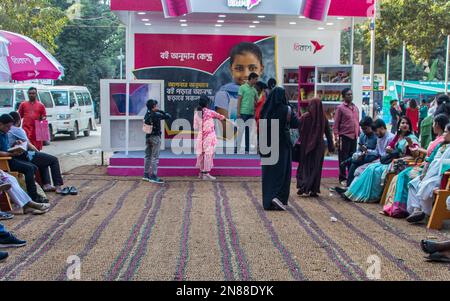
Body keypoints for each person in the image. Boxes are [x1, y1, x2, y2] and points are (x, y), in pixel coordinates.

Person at [382, 114, 449, 218]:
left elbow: (427, 156)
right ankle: (406, 209)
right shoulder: (439, 141)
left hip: (429, 168)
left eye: (446, 131)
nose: (432, 126)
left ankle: (408, 209)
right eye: (402, 123)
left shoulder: (440, 141)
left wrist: (416, 150)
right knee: (404, 178)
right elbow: (429, 156)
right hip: (425, 166)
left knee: (405, 176)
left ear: (437, 125)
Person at [343, 117, 419, 203]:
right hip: (392, 160)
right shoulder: (398, 136)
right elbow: (390, 146)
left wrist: (410, 144)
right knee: (369, 168)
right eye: (402, 123)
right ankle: (354, 192)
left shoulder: (411, 137)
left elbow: (416, 153)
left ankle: (372, 196)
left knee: (374, 170)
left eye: (407, 123)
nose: (405, 125)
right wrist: (389, 149)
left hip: (401, 163)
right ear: (399, 125)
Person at [8, 112, 71, 195]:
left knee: (43, 160)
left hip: (19, 154)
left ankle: (46, 184)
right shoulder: (16, 129)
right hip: (23, 155)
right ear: (19, 121)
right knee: (53, 160)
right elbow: (29, 145)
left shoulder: (8, 130)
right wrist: (37, 153)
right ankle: (58, 185)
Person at [214, 42, 264, 141]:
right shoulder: (224, 95)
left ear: (261, 69)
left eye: (252, 68)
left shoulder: (265, 94)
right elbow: (226, 133)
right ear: (231, 69)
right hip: (232, 147)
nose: (246, 74)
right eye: (239, 68)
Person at [259, 87, 299, 211]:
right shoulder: (286, 109)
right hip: (282, 145)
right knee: (282, 172)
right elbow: (296, 124)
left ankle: (267, 200)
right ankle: (278, 198)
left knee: (268, 174)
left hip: (267, 144)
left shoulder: (265, 110)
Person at [406, 123, 450, 223]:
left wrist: (440, 163)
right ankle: (417, 210)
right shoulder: (440, 145)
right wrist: (425, 172)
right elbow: (430, 159)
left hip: (442, 176)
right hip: (431, 173)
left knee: (426, 186)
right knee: (413, 183)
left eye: (446, 132)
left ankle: (426, 213)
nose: (444, 134)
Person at [0, 114, 46, 203]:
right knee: (29, 169)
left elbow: (5, 147)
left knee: (34, 167)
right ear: (0, 124)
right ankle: (33, 196)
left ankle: (34, 193)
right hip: (5, 161)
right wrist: (11, 154)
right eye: (7, 127)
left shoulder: (4, 133)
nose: (9, 129)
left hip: (9, 157)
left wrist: (15, 145)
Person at [296, 98, 334, 197]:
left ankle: (304, 186)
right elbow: (328, 134)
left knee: (305, 166)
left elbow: (297, 127)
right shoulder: (323, 118)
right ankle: (313, 189)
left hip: (305, 146)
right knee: (316, 168)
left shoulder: (305, 117)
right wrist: (331, 146)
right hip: (318, 147)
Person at [193, 95, 226, 180]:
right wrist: (223, 118)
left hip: (200, 136)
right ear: (207, 104)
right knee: (208, 154)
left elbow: (195, 126)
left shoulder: (197, 113)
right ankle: (206, 173)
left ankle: (201, 173)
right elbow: (220, 116)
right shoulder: (210, 112)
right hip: (209, 137)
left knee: (202, 154)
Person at [333, 88, 360, 187]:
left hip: (354, 137)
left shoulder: (355, 108)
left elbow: (357, 122)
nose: (350, 96)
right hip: (344, 136)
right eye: (348, 94)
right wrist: (336, 137)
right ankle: (342, 177)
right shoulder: (340, 108)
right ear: (343, 96)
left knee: (352, 157)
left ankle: (350, 177)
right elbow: (336, 124)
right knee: (343, 158)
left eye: (351, 94)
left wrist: (359, 133)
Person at [143, 99, 171, 184]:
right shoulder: (156, 115)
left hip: (148, 137)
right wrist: (159, 110)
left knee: (147, 156)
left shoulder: (146, 115)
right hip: (155, 138)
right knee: (155, 157)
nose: (157, 107)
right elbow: (168, 116)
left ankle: (146, 175)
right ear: (154, 106)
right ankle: (154, 176)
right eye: (156, 105)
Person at [345, 117, 378, 186]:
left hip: (373, 158)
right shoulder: (363, 135)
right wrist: (359, 154)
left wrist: (366, 151)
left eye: (365, 128)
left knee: (354, 162)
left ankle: (349, 185)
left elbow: (377, 152)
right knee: (354, 161)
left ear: (371, 126)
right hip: (363, 157)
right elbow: (359, 149)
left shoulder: (376, 136)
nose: (363, 131)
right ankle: (349, 185)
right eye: (362, 129)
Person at [236, 72, 259, 153]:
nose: (256, 81)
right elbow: (239, 101)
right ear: (251, 79)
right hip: (242, 113)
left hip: (251, 114)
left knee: (248, 133)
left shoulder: (254, 90)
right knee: (241, 131)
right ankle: (237, 149)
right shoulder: (242, 87)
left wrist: (256, 105)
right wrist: (238, 113)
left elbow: (258, 101)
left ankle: (246, 150)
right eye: (255, 79)